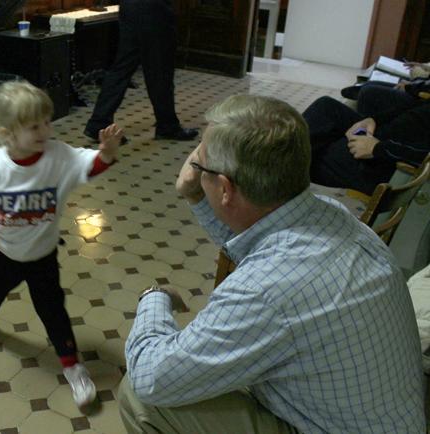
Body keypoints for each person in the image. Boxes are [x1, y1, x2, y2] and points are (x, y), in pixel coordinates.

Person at [118, 94, 425, 434]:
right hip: (380, 418)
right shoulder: (329, 214)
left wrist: (153, 297)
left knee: (140, 397)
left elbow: (151, 377)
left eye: (199, 165)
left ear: (224, 188)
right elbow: (260, 244)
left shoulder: (263, 291)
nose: (194, 170)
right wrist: (195, 194)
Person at [0, 80, 123, 409]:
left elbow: (90, 165)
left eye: (47, 121)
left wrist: (107, 152)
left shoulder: (58, 156)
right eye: (35, 126)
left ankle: (72, 365)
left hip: (43, 254)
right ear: (7, 134)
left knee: (53, 309)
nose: (45, 130)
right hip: (4, 251)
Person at [83, 0, 198, 143]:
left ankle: (98, 123)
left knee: (122, 68)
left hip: (131, 7)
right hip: (154, 9)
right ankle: (167, 126)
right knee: (160, 71)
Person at [302, 94, 430, 194]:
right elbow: (416, 107)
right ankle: (284, 160)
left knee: (315, 154)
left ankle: (285, 169)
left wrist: (378, 148)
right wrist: (373, 119)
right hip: (384, 137)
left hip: (391, 163)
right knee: (326, 106)